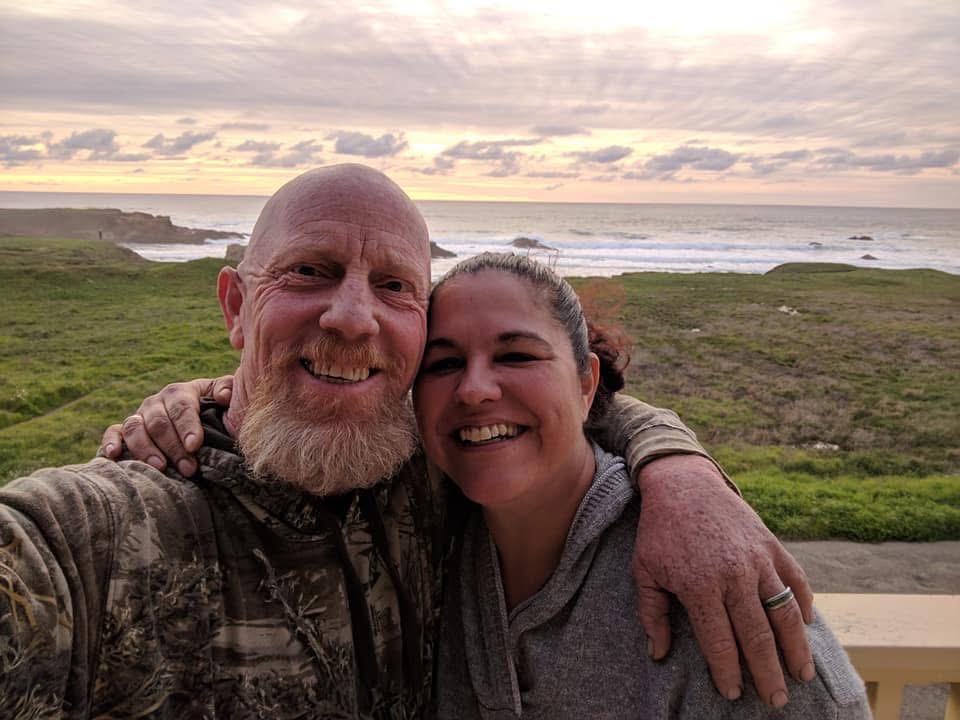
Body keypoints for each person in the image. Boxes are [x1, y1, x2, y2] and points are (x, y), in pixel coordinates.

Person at [0, 164, 806, 718]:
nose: (354, 317)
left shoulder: (434, 472)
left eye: (394, 286)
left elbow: (557, 404)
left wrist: (682, 473)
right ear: (236, 307)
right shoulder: (85, 541)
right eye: (310, 270)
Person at [416, 252, 869, 718]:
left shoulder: (697, 576)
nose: (473, 389)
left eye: (517, 356)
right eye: (444, 363)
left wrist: (684, 475)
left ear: (587, 384)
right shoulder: (424, 530)